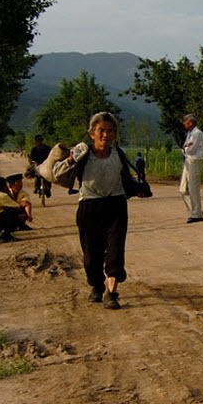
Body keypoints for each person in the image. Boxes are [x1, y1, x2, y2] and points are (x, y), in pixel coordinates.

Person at [52, 112, 134, 310]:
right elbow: (57, 173)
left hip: (116, 205)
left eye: (110, 131)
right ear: (92, 134)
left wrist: (137, 189)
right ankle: (97, 285)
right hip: (90, 206)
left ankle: (111, 292)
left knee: (115, 249)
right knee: (91, 254)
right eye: (101, 131)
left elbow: (127, 178)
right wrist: (71, 160)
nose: (106, 135)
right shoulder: (83, 154)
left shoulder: (119, 154)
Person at [179, 113, 203, 223]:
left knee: (193, 188)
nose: (184, 125)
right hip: (188, 161)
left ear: (190, 123)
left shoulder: (197, 133)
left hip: (194, 161)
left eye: (185, 123)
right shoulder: (190, 134)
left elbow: (191, 149)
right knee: (183, 189)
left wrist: (185, 148)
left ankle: (196, 213)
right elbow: (185, 146)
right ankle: (196, 209)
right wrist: (186, 148)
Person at [29, 134, 52, 200]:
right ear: (36, 141)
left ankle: (48, 189)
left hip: (46, 164)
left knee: (49, 177)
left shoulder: (47, 148)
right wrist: (32, 163)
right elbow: (31, 158)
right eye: (38, 140)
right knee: (36, 175)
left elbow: (50, 156)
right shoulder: (34, 149)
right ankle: (36, 187)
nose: (39, 142)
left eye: (40, 140)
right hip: (37, 165)